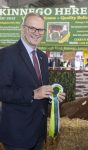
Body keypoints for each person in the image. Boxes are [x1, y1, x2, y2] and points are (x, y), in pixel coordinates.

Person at [0, 13, 65, 150]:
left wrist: (52, 97)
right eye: (32, 28)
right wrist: (32, 94)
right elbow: (2, 91)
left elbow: (41, 90)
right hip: (17, 134)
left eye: (40, 29)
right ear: (22, 28)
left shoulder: (42, 57)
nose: (37, 33)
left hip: (38, 133)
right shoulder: (7, 54)